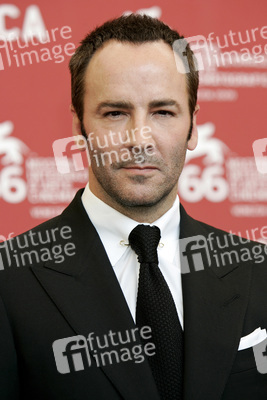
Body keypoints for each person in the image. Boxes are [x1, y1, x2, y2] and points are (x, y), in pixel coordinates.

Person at [0, 14, 267, 400]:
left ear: (193, 127)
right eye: (115, 113)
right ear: (78, 127)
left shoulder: (258, 273)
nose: (139, 139)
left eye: (162, 112)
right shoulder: (11, 282)